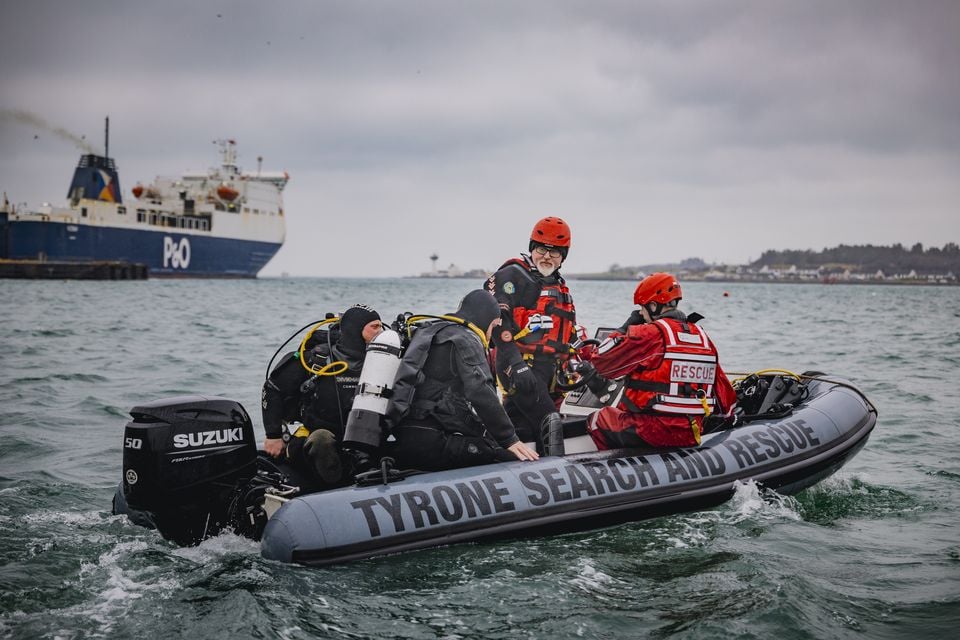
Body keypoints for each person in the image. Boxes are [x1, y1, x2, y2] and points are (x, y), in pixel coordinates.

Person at [577, 273, 737, 450]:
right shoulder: (703, 338)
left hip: (650, 431)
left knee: (597, 419)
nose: (641, 313)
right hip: (690, 433)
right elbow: (726, 397)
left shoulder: (649, 334)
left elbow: (601, 361)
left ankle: (617, 471)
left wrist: (626, 326)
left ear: (653, 306)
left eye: (642, 308)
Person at [386, 289, 539, 471]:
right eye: (493, 326)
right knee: (509, 458)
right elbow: (480, 391)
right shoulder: (466, 338)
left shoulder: (427, 331)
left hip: (403, 434)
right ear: (485, 319)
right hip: (433, 442)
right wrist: (509, 439)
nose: (491, 335)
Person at [261, 304, 383, 487]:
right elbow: (272, 389)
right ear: (355, 330)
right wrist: (273, 435)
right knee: (321, 439)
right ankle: (339, 490)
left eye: (381, 326)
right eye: (375, 326)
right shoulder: (315, 360)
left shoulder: (382, 360)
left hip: (360, 441)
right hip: (313, 441)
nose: (381, 331)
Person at [485, 216, 578, 445]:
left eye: (554, 252)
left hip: (549, 372)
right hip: (519, 366)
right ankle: (558, 475)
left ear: (563, 256)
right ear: (531, 248)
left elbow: (567, 332)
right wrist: (516, 364)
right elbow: (498, 321)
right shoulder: (514, 274)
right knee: (550, 423)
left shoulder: (556, 283)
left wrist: (576, 360)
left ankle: (504, 465)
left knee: (521, 426)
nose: (547, 256)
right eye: (541, 249)